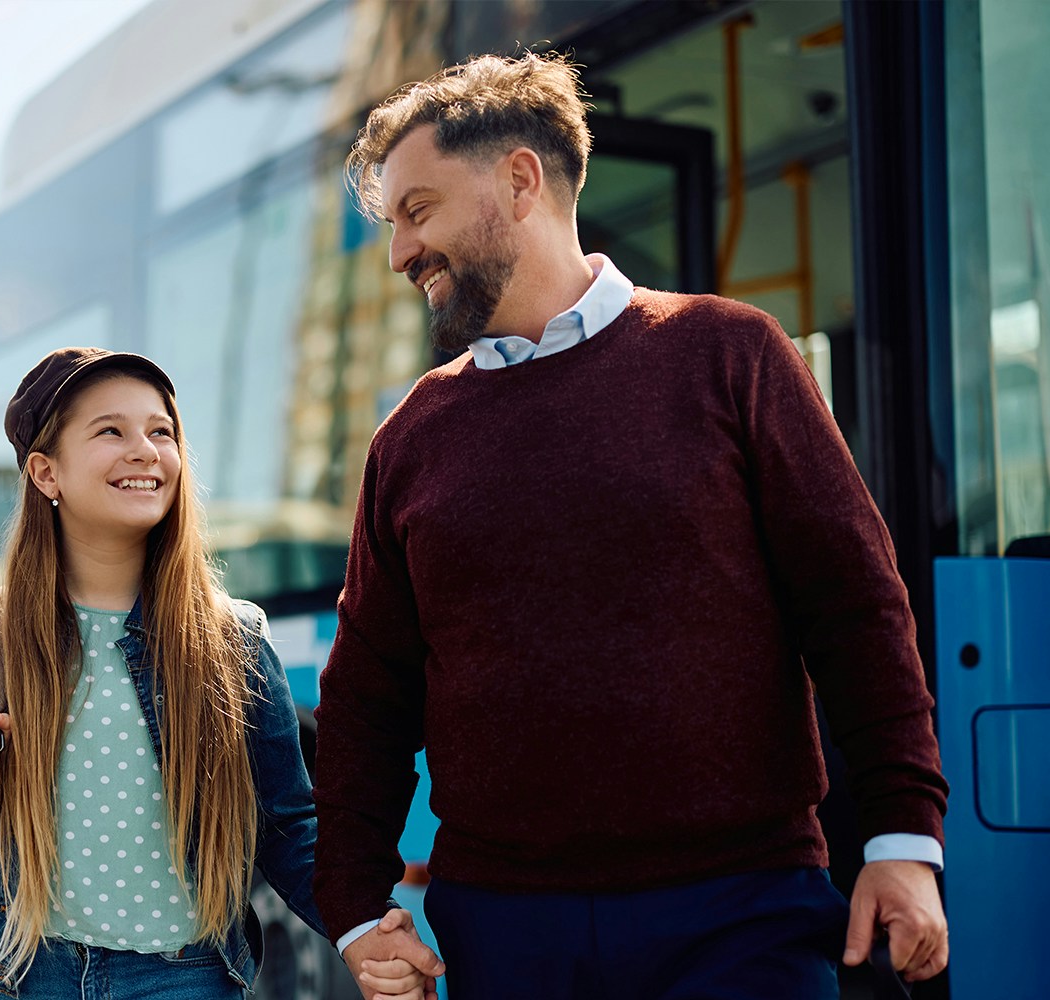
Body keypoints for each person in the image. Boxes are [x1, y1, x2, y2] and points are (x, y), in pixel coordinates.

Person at [312, 53, 950, 1000]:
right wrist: (358, 908)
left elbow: (855, 604)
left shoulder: (730, 355)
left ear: (520, 181)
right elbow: (367, 694)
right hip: (505, 930)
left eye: (418, 210)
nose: (401, 252)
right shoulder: (409, 439)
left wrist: (903, 841)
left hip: (743, 916)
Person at [0, 348, 441, 999]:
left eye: (161, 431)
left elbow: (287, 825)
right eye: (111, 430)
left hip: (189, 979)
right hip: (28, 977)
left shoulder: (233, 640)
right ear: (46, 472)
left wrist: (361, 931)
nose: (145, 449)